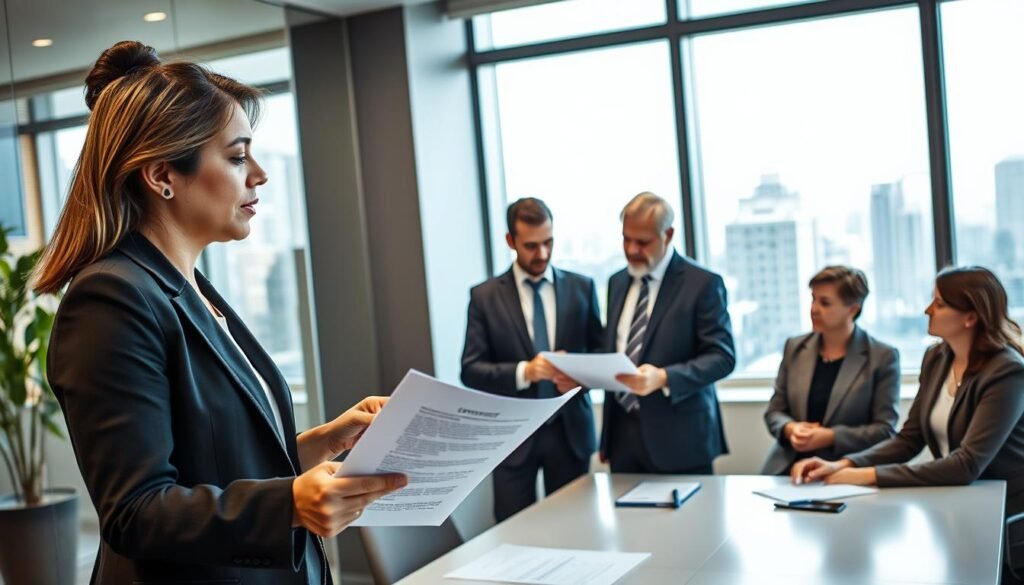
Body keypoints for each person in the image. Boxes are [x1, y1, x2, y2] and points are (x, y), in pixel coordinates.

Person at [34, 41, 405, 585]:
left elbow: (214, 468)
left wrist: (323, 442)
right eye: (236, 157)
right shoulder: (109, 299)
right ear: (163, 175)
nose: (259, 174)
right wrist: (290, 505)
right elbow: (135, 510)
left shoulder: (192, 289)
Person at [792, 267, 1024, 529]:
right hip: (959, 501)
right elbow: (909, 439)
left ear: (970, 317)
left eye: (939, 304)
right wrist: (842, 464)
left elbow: (966, 464)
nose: (928, 310)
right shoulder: (936, 358)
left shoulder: (1007, 371)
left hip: (1007, 515)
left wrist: (864, 475)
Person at [461, 197, 603, 522]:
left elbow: (602, 354)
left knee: (576, 530)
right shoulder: (484, 297)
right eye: (530, 245)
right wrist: (526, 371)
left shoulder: (583, 287)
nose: (541, 254)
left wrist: (579, 370)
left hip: (570, 434)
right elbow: (471, 370)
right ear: (510, 241)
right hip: (512, 437)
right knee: (512, 535)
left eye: (548, 242)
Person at [601, 191, 735, 474]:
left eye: (643, 242)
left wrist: (663, 378)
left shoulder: (702, 284)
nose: (632, 249)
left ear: (668, 234)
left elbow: (722, 357)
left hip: (681, 438)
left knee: (690, 519)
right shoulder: (617, 283)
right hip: (623, 439)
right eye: (626, 239)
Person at [761, 266, 900, 475]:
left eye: (824, 302)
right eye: (813, 299)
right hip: (786, 470)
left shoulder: (882, 356)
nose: (814, 309)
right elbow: (774, 412)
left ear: (853, 309)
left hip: (847, 471)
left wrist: (831, 436)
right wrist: (791, 429)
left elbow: (884, 430)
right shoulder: (795, 347)